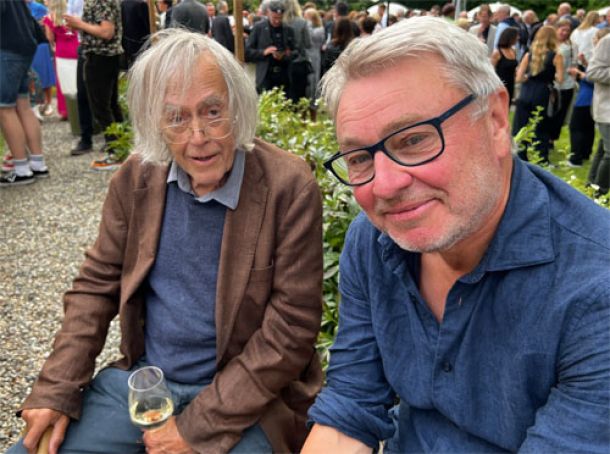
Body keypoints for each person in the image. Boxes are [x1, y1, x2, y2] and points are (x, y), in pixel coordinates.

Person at [301, 16, 610, 453]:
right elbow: (352, 402)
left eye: (413, 140)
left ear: (496, 120)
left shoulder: (595, 288)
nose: (384, 186)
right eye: (358, 158)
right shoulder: (373, 242)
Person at [8, 28, 323, 454]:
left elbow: (291, 329)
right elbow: (96, 285)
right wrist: (57, 386)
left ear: (237, 107)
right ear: (155, 121)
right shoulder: (136, 178)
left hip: (248, 398)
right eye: (176, 118)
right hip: (149, 384)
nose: (198, 136)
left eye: (213, 112)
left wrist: (197, 427)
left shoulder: (288, 186)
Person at [63, 0, 125, 170]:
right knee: (109, 105)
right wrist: (81, 27)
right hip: (104, 57)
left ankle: (116, 153)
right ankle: (121, 148)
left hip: (100, 57)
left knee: (101, 107)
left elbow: (107, 32)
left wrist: (79, 24)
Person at [0, 0, 49, 187]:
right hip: (24, 45)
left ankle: (21, 169)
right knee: (24, 106)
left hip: (6, 48)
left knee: (5, 109)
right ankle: (38, 164)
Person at [512, 26, 564, 164]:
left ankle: (519, 156)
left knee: (521, 125)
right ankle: (541, 157)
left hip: (526, 91)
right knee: (541, 126)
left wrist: (528, 77)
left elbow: (518, 77)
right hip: (543, 92)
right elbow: (560, 79)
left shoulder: (529, 54)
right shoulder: (556, 55)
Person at [245, 0, 298, 95]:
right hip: (265, 76)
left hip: (284, 76)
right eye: (274, 18)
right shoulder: (259, 28)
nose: (277, 21)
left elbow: (297, 51)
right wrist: (264, 52)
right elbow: (247, 52)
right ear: (268, 13)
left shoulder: (288, 29)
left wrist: (285, 55)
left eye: (280, 18)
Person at [587, 30, 610, 196]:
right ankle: (600, 194)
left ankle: (591, 185)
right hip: (607, 109)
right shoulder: (607, 41)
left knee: (603, 149)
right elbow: (593, 72)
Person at [549, 19, 577, 149]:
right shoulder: (550, 44)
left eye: (567, 30)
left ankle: (552, 139)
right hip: (552, 84)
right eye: (562, 29)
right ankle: (545, 137)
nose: (565, 33)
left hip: (566, 84)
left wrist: (573, 70)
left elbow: (574, 63)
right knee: (549, 112)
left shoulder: (571, 46)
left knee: (560, 114)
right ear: (557, 29)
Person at [283, 0, 312, 103]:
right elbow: (308, 43)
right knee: (300, 95)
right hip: (300, 61)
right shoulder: (302, 22)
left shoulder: (280, 22)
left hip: (283, 62)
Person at [490, 26, 518, 103]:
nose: (518, 38)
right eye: (516, 36)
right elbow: (491, 70)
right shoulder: (497, 53)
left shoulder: (513, 51)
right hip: (500, 83)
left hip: (511, 83)